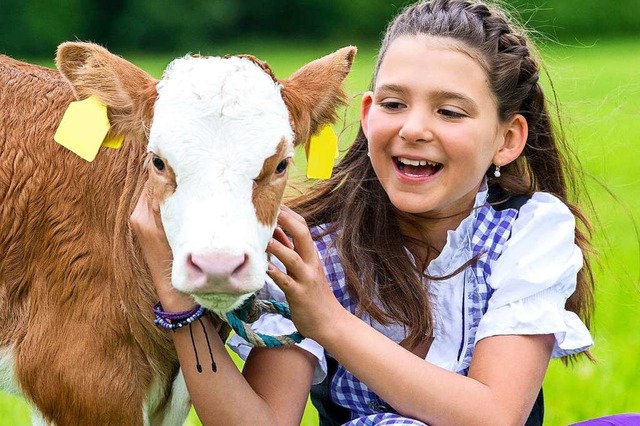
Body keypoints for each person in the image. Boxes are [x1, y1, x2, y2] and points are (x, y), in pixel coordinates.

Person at [131, 0, 596, 424]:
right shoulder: (318, 249)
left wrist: (327, 321)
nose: (414, 128)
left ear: (507, 139)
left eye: (450, 112)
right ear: (369, 115)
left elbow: (493, 416)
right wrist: (177, 298)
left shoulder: (530, 231)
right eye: (394, 104)